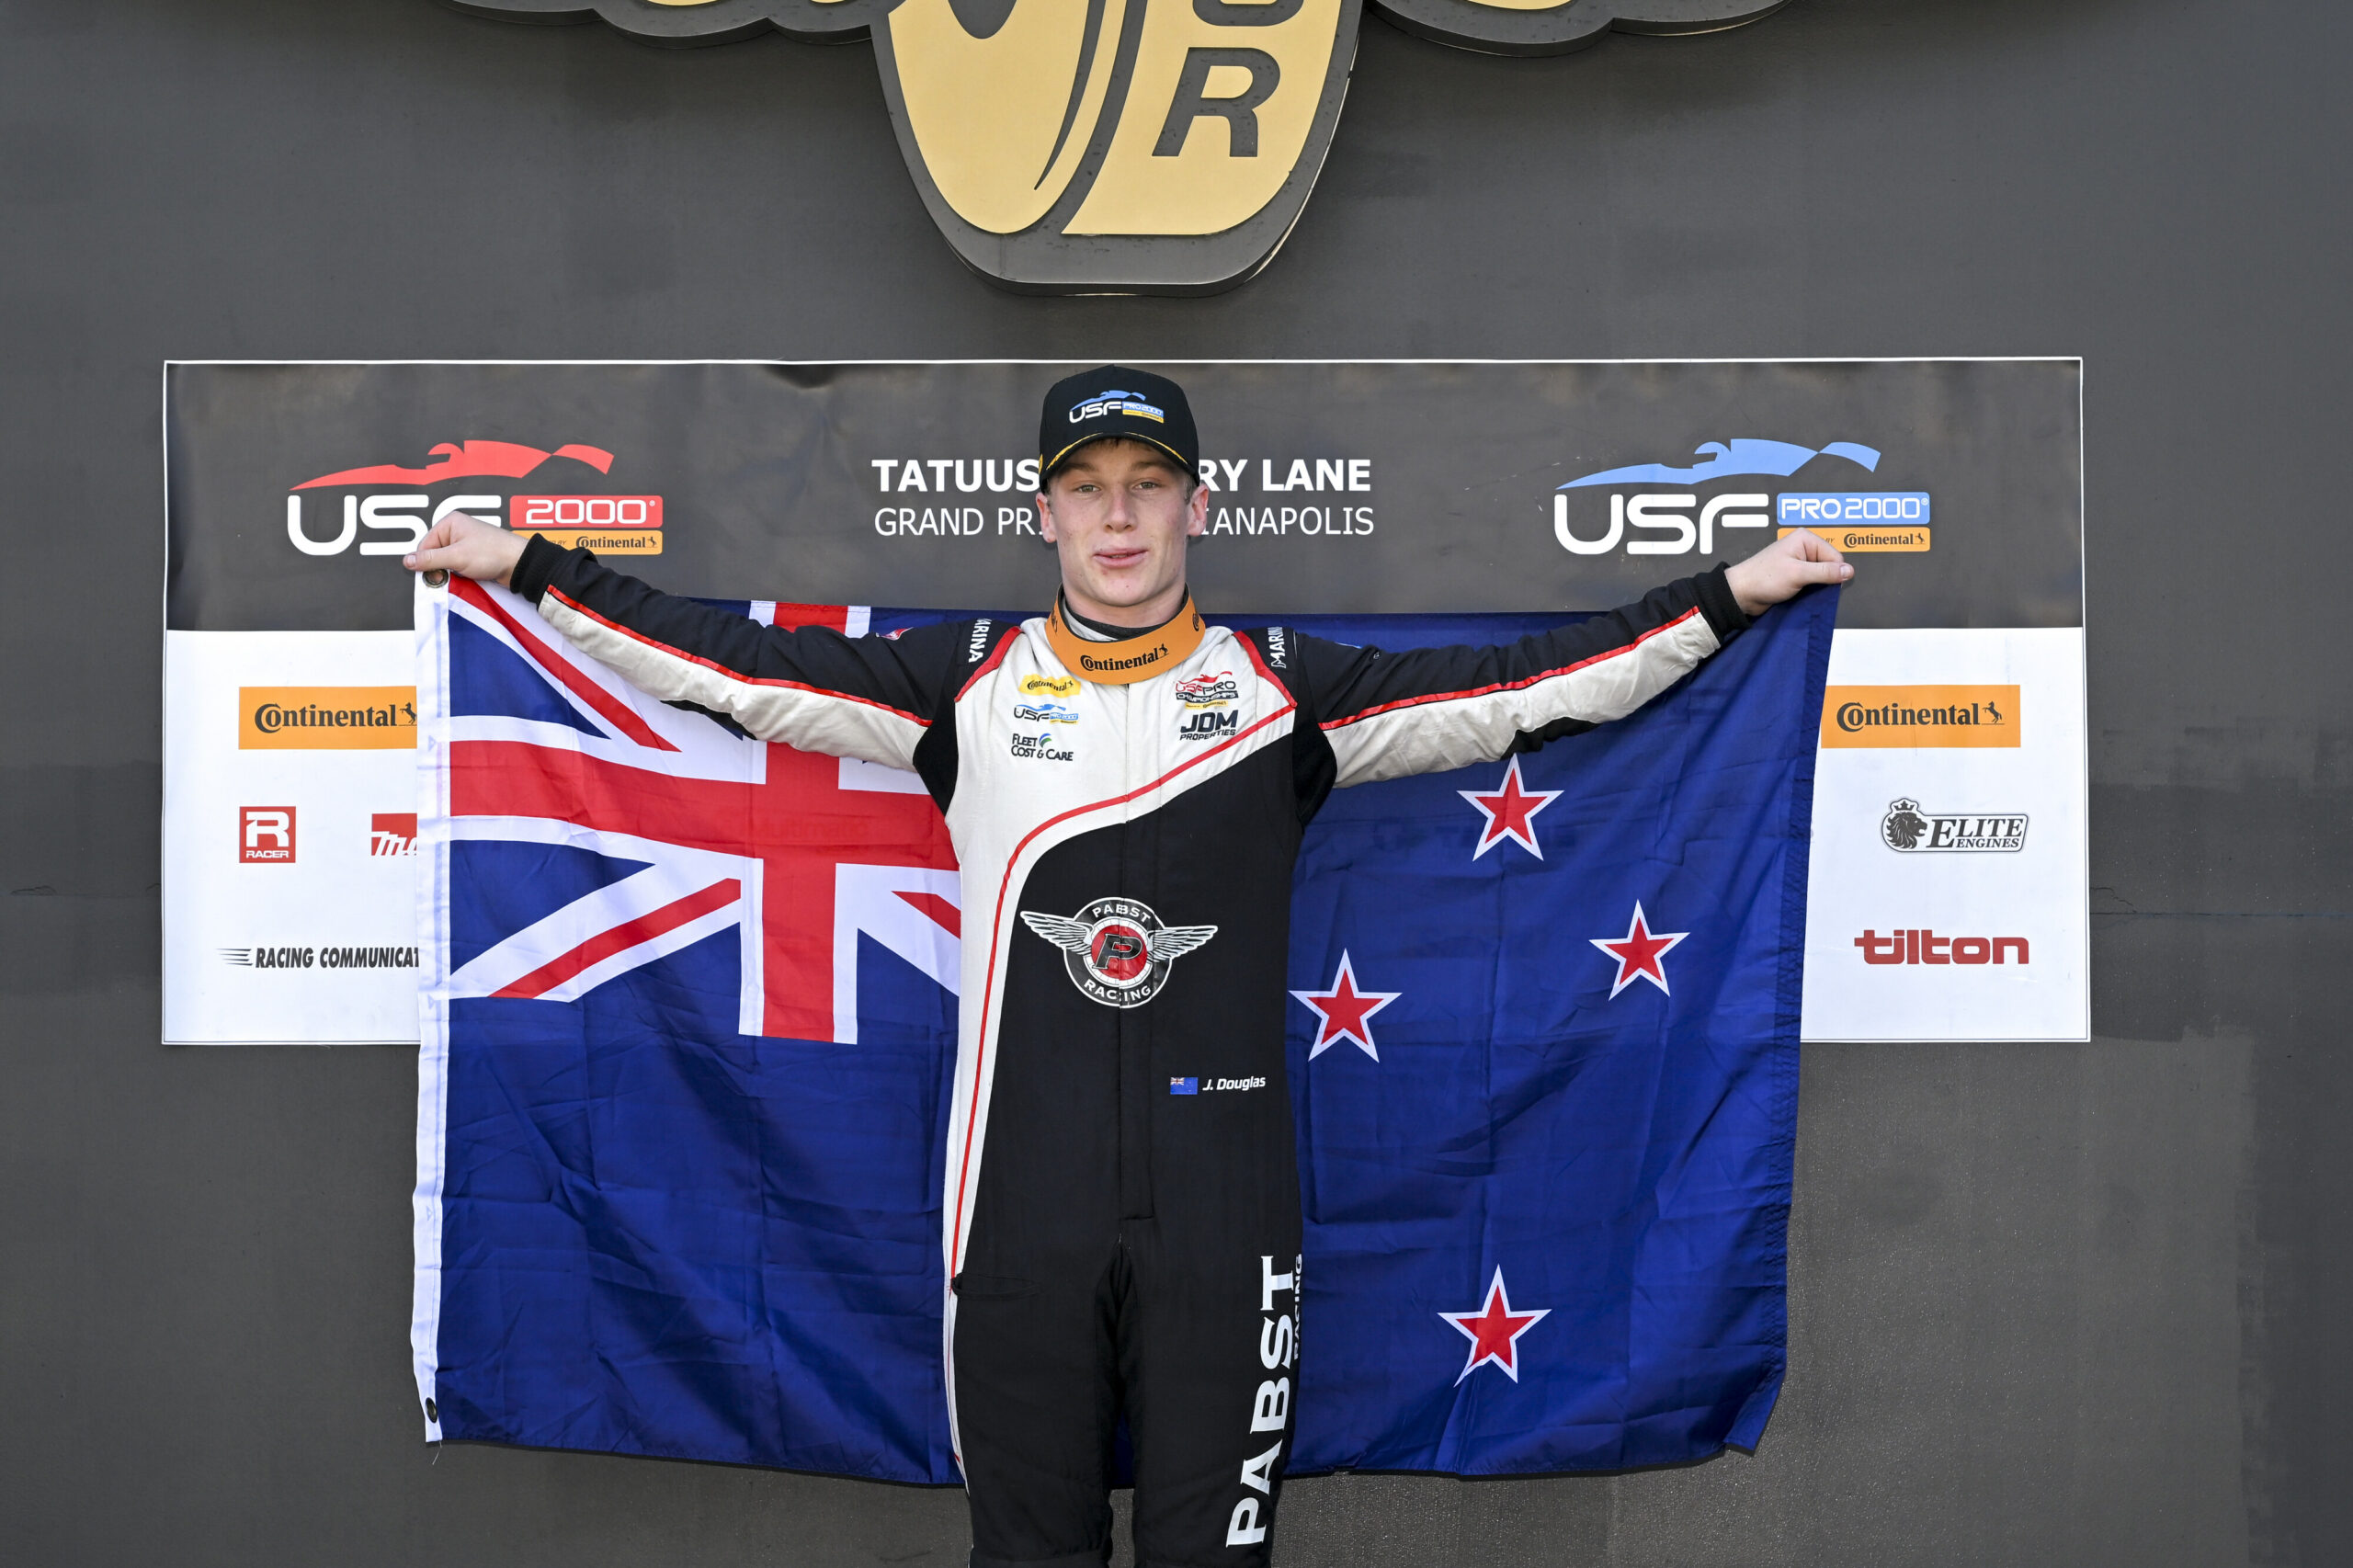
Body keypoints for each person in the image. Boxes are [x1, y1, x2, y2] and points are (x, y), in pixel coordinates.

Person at [405, 367, 1851, 1568]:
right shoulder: (963, 684)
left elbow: (1528, 687)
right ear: (1042, 511)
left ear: (1195, 505)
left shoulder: (1284, 690)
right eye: (1087, 486)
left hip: (1230, 1224)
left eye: (1146, 483)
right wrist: (532, 568)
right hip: (1015, 1212)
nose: (1116, 514)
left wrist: (1737, 592)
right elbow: (721, 666)